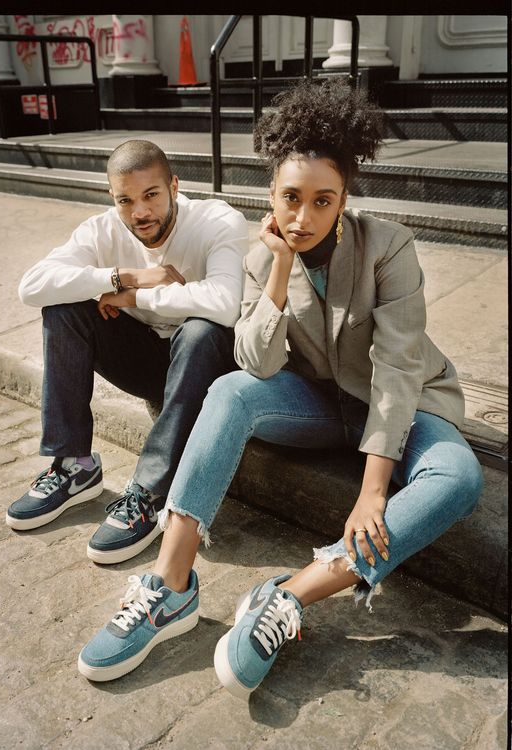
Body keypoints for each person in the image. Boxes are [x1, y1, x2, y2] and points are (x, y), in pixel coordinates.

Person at [77, 80, 483, 696]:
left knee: (459, 476)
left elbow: (399, 369)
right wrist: (279, 269)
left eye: (324, 201)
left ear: (345, 198)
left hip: (407, 405)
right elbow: (257, 362)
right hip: (320, 402)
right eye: (291, 198)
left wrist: (374, 492)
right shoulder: (260, 254)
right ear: (270, 192)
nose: (304, 217)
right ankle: (170, 586)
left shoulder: (389, 246)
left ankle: (289, 596)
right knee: (232, 390)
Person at [6, 139, 249, 566]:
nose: (140, 212)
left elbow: (226, 302)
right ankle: (74, 465)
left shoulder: (216, 219)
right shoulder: (103, 229)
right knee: (63, 309)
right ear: (113, 199)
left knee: (202, 330)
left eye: (151, 195)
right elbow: (32, 285)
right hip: (146, 362)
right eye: (126, 201)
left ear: (174, 185)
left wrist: (137, 299)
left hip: (204, 365)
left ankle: (150, 492)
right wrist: (124, 276)